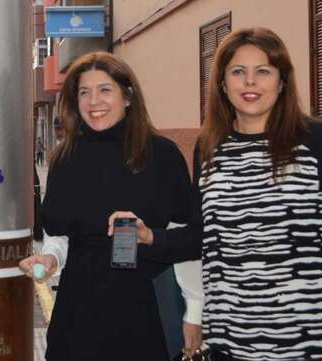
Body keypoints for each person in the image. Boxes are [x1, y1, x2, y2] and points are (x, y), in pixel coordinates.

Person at [112, 27, 322, 360]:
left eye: (263, 71)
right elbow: (201, 235)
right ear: (222, 83)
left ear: (282, 81)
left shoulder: (313, 142)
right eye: (238, 72)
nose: (250, 82)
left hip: (304, 338)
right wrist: (150, 236)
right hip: (229, 337)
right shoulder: (210, 148)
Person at [18, 51, 197, 361]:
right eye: (84, 92)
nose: (93, 101)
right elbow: (60, 235)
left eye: (105, 90)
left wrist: (194, 311)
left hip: (146, 314)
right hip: (78, 313)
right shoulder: (65, 159)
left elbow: (192, 239)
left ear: (127, 96)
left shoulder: (162, 155)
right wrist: (50, 259)